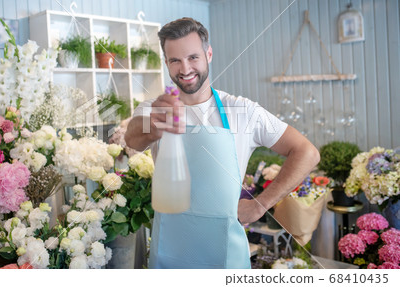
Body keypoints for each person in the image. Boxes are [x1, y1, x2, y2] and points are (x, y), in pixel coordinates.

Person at [125, 17, 320, 269]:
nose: (184, 68)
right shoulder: (154, 109)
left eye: (193, 57)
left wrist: (260, 205)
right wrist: (155, 125)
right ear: (166, 62)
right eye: (175, 60)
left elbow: (307, 152)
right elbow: (132, 139)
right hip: (170, 252)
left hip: (225, 255)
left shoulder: (242, 110)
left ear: (209, 53)